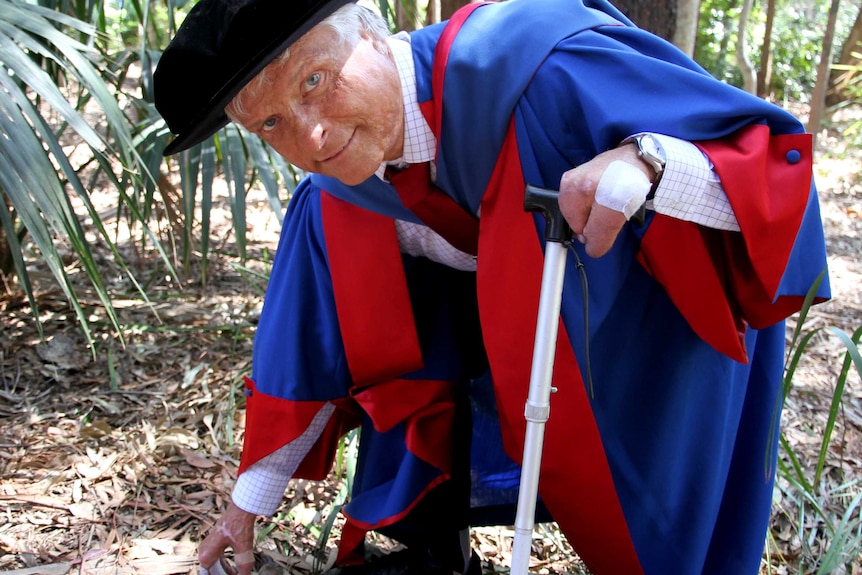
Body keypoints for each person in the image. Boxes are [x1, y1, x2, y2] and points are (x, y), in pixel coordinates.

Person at [153, 0, 831, 574]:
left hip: (653, 339)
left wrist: (648, 163)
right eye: (270, 124)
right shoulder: (336, 195)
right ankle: (431, 551)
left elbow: (768, 170)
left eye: (315, 82)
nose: (313, 135)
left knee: (665, 533)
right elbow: (306, 353)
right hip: (520, 355)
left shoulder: (547, 69)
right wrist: (247, 506)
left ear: (370, 29)